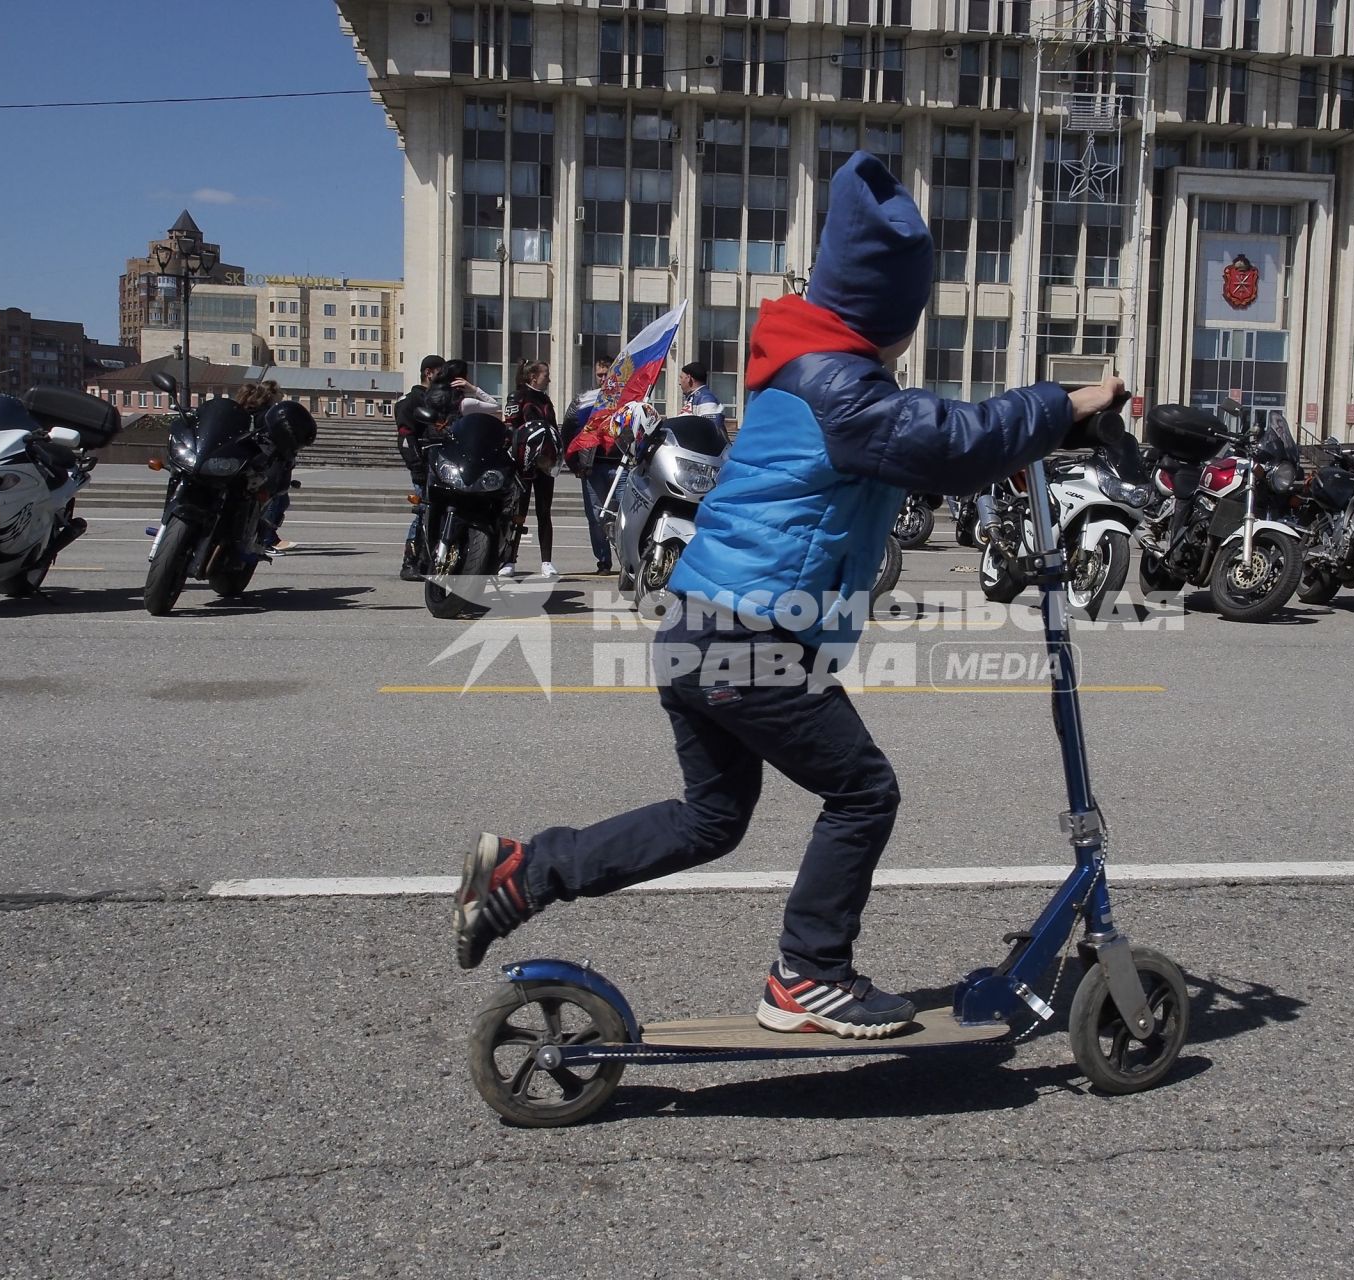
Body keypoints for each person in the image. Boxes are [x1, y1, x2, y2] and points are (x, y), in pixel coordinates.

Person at [453, 152, 1128, 1039]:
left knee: (711, 819)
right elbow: (948, 438)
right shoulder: (842, 388)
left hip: (704, 625)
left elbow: (931, 436)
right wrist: (1061, 403)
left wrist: (1036, 427)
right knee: (863, 793)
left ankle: (527, 872)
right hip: (750, 637)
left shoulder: (807, 370)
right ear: (887, 307)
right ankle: (807, 975)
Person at [502, 358, 560, 578]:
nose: (549, 378)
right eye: (546, 374)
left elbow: (552, 428)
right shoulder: (517, 397)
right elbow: (510, 428)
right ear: (533, 377)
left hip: (545, 464)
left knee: (544, 512)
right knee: (518, 513)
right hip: (523, 463)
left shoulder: (545, 399)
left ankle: (547, 562)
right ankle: (509, 560)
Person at [563, 356, 620, 574]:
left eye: (607, 374)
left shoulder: (628, 397)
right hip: (592, 467)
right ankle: (604, 561)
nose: (604, 378)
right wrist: (573, 463)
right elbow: (567, 432)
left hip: (622, 466)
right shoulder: (584, 400)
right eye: (600, 374)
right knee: (596, 518)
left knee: (625, 517)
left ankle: (628, 561)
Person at [395, 355, 446, 581]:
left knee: (442, 514)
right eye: (441, 372)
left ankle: (431, 559)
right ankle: (410, 562)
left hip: (445, 467)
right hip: (424, 466)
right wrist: (416, 465)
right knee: (422, 513)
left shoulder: (441, 398)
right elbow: (406, 437)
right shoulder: (412, 400)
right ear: (429, 372)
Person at [236, 380, 298, 552]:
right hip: (263, 463)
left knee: (277, 499)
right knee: (275, 499)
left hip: (255, 461)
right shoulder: (265, 414)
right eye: (279, 391)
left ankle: (265, 537)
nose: (282, 394)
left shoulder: (249, 412)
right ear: (270, 394)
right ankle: (266, 539)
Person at [679, 361, 726, 432]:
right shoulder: (695, 397)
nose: (679, 383)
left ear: (688, 378)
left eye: (681, 378)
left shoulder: (706, 399)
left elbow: (710, 431)